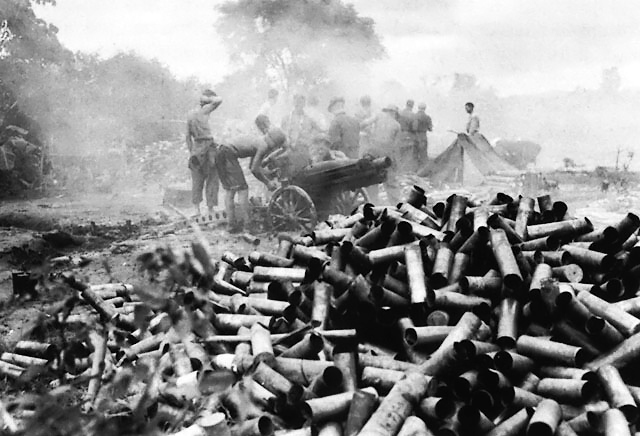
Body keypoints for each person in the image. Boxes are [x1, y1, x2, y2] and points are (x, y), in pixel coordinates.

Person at [215, 115, 287, 232]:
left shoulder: (259, 141)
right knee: (242, 189)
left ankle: (231, 224)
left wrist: (267, 173)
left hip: (221, 152)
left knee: (230, 191)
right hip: (227, 154)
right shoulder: (263, 146)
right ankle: (247, 225)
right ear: (274, 142)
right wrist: (267, 182)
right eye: (276, 146)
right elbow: (254, 169)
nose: (274, 148)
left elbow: (252, 166)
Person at [186, 89, 222, 216]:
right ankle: (211, 209)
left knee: (197, 179)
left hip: (196, 149)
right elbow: (219, 100)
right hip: (208, 148)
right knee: (212, 178)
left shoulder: (190, 115)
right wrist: (208, 99)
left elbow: (188, 137)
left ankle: (196, 209)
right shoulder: (205, 110)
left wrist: (192, 152)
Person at [361, 104, 402, 205]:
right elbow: (396, 147)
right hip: (387, 155)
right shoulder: (397, 125)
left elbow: (363, 124)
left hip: (373, 152)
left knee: (372, 180)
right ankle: (396, 205)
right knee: (391, 181)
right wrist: (396, 162)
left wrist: (369, 132)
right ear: (394, 113)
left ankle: (372, 204)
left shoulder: (378, 116)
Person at [398, 99, 417, 172]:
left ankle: (399, 170)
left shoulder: (400, 113)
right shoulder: (413, 115)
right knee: (407, 154)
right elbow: (414, 128)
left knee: (400, 153)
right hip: (409, 135)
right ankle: (405, 171)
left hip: (400, 134)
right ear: (412, 105)